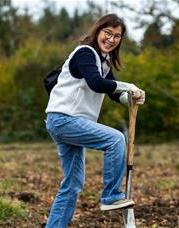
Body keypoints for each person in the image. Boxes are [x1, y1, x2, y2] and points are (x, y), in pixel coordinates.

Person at [44, 13, 145, 227]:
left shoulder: (103, 61)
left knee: (72, 185)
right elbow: (96, 84)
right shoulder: (85, 53)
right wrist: (128, 86)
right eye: (107, 33)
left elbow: (114, 92)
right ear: (97, 31)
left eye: (117, 36)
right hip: (64, 119)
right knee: (116, 139)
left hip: (67, 122)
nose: (111, 39)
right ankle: (110, 196)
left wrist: (132, 98)